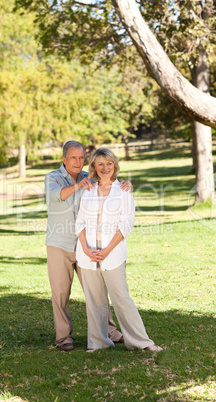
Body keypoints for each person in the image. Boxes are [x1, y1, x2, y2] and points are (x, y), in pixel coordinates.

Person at [44, 141, 132, 351]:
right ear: (64, 159)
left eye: (81, 157)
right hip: (60, 245)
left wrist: (127, 184)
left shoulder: (89, 177)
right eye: (73, 157)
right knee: (61, 293)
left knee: (98, 291)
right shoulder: (52, 178)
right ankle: (64, 337)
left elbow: (110, 183)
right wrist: (78, 186)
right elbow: (57, 196)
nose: (78, 161)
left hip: (87, 247)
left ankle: (110, 331)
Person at [75, 147, 163, 352]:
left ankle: (142, 342)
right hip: (87, 254)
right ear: (94, 167)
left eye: (109, 163)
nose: (105, 168)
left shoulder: (123, 189)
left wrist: (106, 250)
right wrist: (86, 248)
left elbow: (126, 224)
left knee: (121, 299)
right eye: (100, 164)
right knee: (94, 301)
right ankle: (98, 343)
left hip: (112, 254)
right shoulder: (88, 189)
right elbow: (80, 221)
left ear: (114, 165)